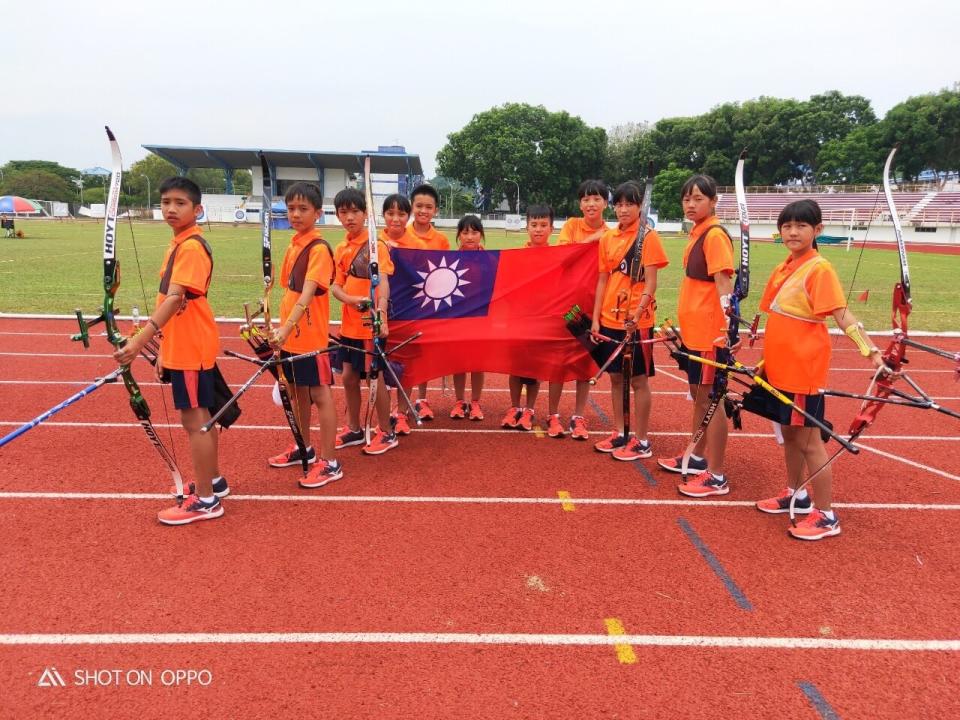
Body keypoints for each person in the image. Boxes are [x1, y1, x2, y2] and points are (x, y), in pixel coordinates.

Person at [752, 199, 885, 540]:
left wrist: (870, 352)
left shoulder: (819, 268)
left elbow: (842, 315)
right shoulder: (786, 265)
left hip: (803, 368)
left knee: (810, 440)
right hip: (781, 367)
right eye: (787, 226)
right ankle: (795, 493)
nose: (793, 232)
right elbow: (779, 318)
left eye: (801, 226)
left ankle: (825, 514)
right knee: (791, 435)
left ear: (818, 230)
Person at [113, 177, 227, 525]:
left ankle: (206, 500)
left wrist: (138, 340)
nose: (170, 209)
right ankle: (214, 482)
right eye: (165, 202)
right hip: (184, 342)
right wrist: (162, 347)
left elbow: (177, 297)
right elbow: (172, 299)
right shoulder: (179, 243)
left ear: (197, 209)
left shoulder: (191, 246)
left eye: (180, 203)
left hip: (192, 345)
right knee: (199, 419)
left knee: (196, 423)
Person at [657, 175, 736, 497]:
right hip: (694, 334)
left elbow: (723, 282)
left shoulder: (715, 235)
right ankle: (697, 456)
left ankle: (716, 475)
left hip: (710, 336)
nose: (691, 204)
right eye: (687, 199)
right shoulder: (698, 233)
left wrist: (729, 328)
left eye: (698, 199)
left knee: (712, 402)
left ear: (714, 201)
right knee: (699, 398)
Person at [266, 181, 341, 488]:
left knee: (320, 395)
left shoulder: (319, 248)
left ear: (318, 213)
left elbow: (308, 293)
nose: (295, 214)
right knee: (296, 393)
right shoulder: (295, 242)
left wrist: (286, 327)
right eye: (291, 208)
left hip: (310, 336)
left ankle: (330, 461)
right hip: (291, 335)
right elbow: (288, 287)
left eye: (303, 209)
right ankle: (303, 446)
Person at [591, 181, 668, 461]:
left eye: (629, 204)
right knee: (614, 378)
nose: (623, 210)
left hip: (637, 321)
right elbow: (602, 279)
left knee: (638, 380)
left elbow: (651, 282)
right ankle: (620, 431)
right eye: (619, 204)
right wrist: (597, 316)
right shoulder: (607, 238)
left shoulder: (648, 238)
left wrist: (637, 315)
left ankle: (642, 440)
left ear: (639, 207)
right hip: (610, 318)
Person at [329, 188, 397, 455]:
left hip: (371, 325)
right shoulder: (341, 247)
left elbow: (384, 284)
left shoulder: (375, 246)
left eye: (355, 211)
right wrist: (349, 299)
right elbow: (336, 286)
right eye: (343, 212)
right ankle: (355, 429)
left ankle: (386, 431)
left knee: (375, 378)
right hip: (349, 326)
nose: (349, 217)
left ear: (365, 214)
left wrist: (380, 312)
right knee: (348, 377)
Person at [551, 179, 610, 439]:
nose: (591, 204)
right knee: (558, 361)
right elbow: (563, 256)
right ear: (579, 203)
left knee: (585, 363)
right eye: (586, 199)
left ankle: (578, 416)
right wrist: (594, 238)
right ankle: (553, 415)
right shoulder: (572, 226)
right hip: (566, 304)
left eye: (596, 199)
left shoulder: (612, 234)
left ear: (605, 203)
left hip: (592, 306)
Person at [378, 193, 426, 436]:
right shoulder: (374, 240)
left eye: (401, 214)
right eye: (390, 213)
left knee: (405, 365)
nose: (395, 219)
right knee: (380, 365)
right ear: (383, 215)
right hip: (380, 313)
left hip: (408, 312)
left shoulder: (417, 244)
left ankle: (403, 412)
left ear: (408, 216)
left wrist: (402, 257)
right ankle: (384, 415)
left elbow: (424, 279)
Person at [502, 204, 553, 431]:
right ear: (527, 227)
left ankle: (529, 409)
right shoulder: (518, 256)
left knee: (535, 369)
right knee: (515, 367)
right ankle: (514, 407)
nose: (538, 230)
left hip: (542, 323)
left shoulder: (557, 257)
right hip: (518, 321)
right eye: (534, 225)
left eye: (543, 225)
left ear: (551, 228)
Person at [405, 184, 449, 422]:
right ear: (411, 207)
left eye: (428, 207)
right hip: (404, 304)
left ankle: (422, 399)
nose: (423, 210)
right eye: (419, 206)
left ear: (436, 210)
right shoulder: (400, 234)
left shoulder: (440, 240)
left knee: (422, 353)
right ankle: (401, 403)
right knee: (405, 354)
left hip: (429, 304)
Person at [449, 215, 486, 421]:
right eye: (465, 232)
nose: (470, 236)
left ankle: (476, 402)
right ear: (459, 235)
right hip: (458, 319)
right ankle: (459, 401)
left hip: (481, 319)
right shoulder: (450, 260)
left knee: (477, 363)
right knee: (459, 362)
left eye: (474, 232)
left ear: (481, 234)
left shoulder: (490, 259)